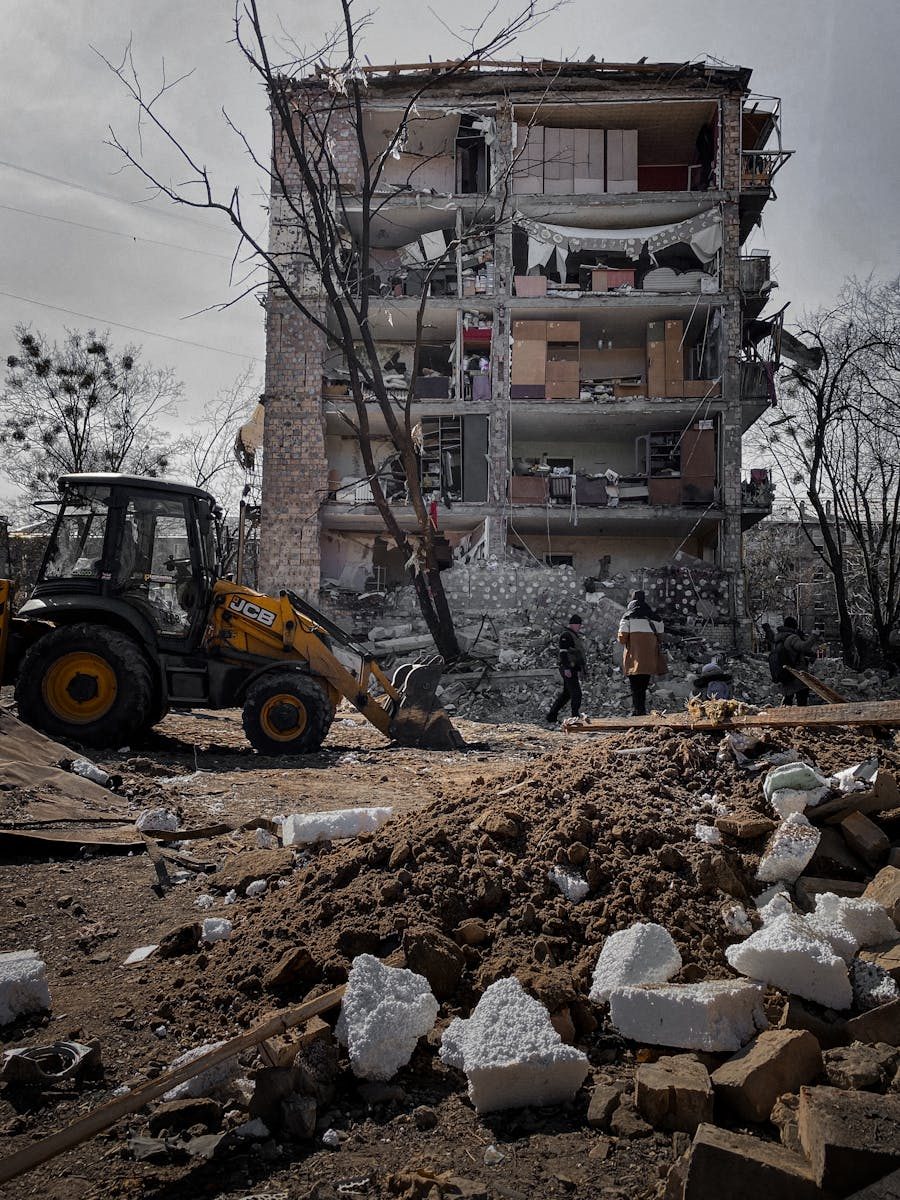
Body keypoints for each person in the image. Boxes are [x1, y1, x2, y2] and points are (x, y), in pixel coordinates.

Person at [617, 590, 666, 716]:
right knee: (643, 687)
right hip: (650, 660)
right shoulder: (656, 618)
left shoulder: (627, 617)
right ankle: (641, 710)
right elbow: (661, 638)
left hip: (633, 659)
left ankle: (638, 711)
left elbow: (622, 639)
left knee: (635, 687)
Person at [546, 614, 587, 723]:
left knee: (567, 694)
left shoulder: (573, 635)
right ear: (574, 624)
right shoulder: (566, 635)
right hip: (568, 669)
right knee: (576, 693)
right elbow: (563, 653)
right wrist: (567, 668)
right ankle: (575, 716)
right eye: (579, 625)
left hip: (572, 668)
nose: (580, 627)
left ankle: (551, 716)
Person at [772, 615, 819, 705]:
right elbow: (804, 647)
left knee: (787, 700)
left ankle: (785, 713)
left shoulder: (779, 639)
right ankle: (801, 714)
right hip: (796, 674)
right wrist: (814, 636)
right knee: (802, 700)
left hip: (785, 673)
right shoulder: (792, 638)